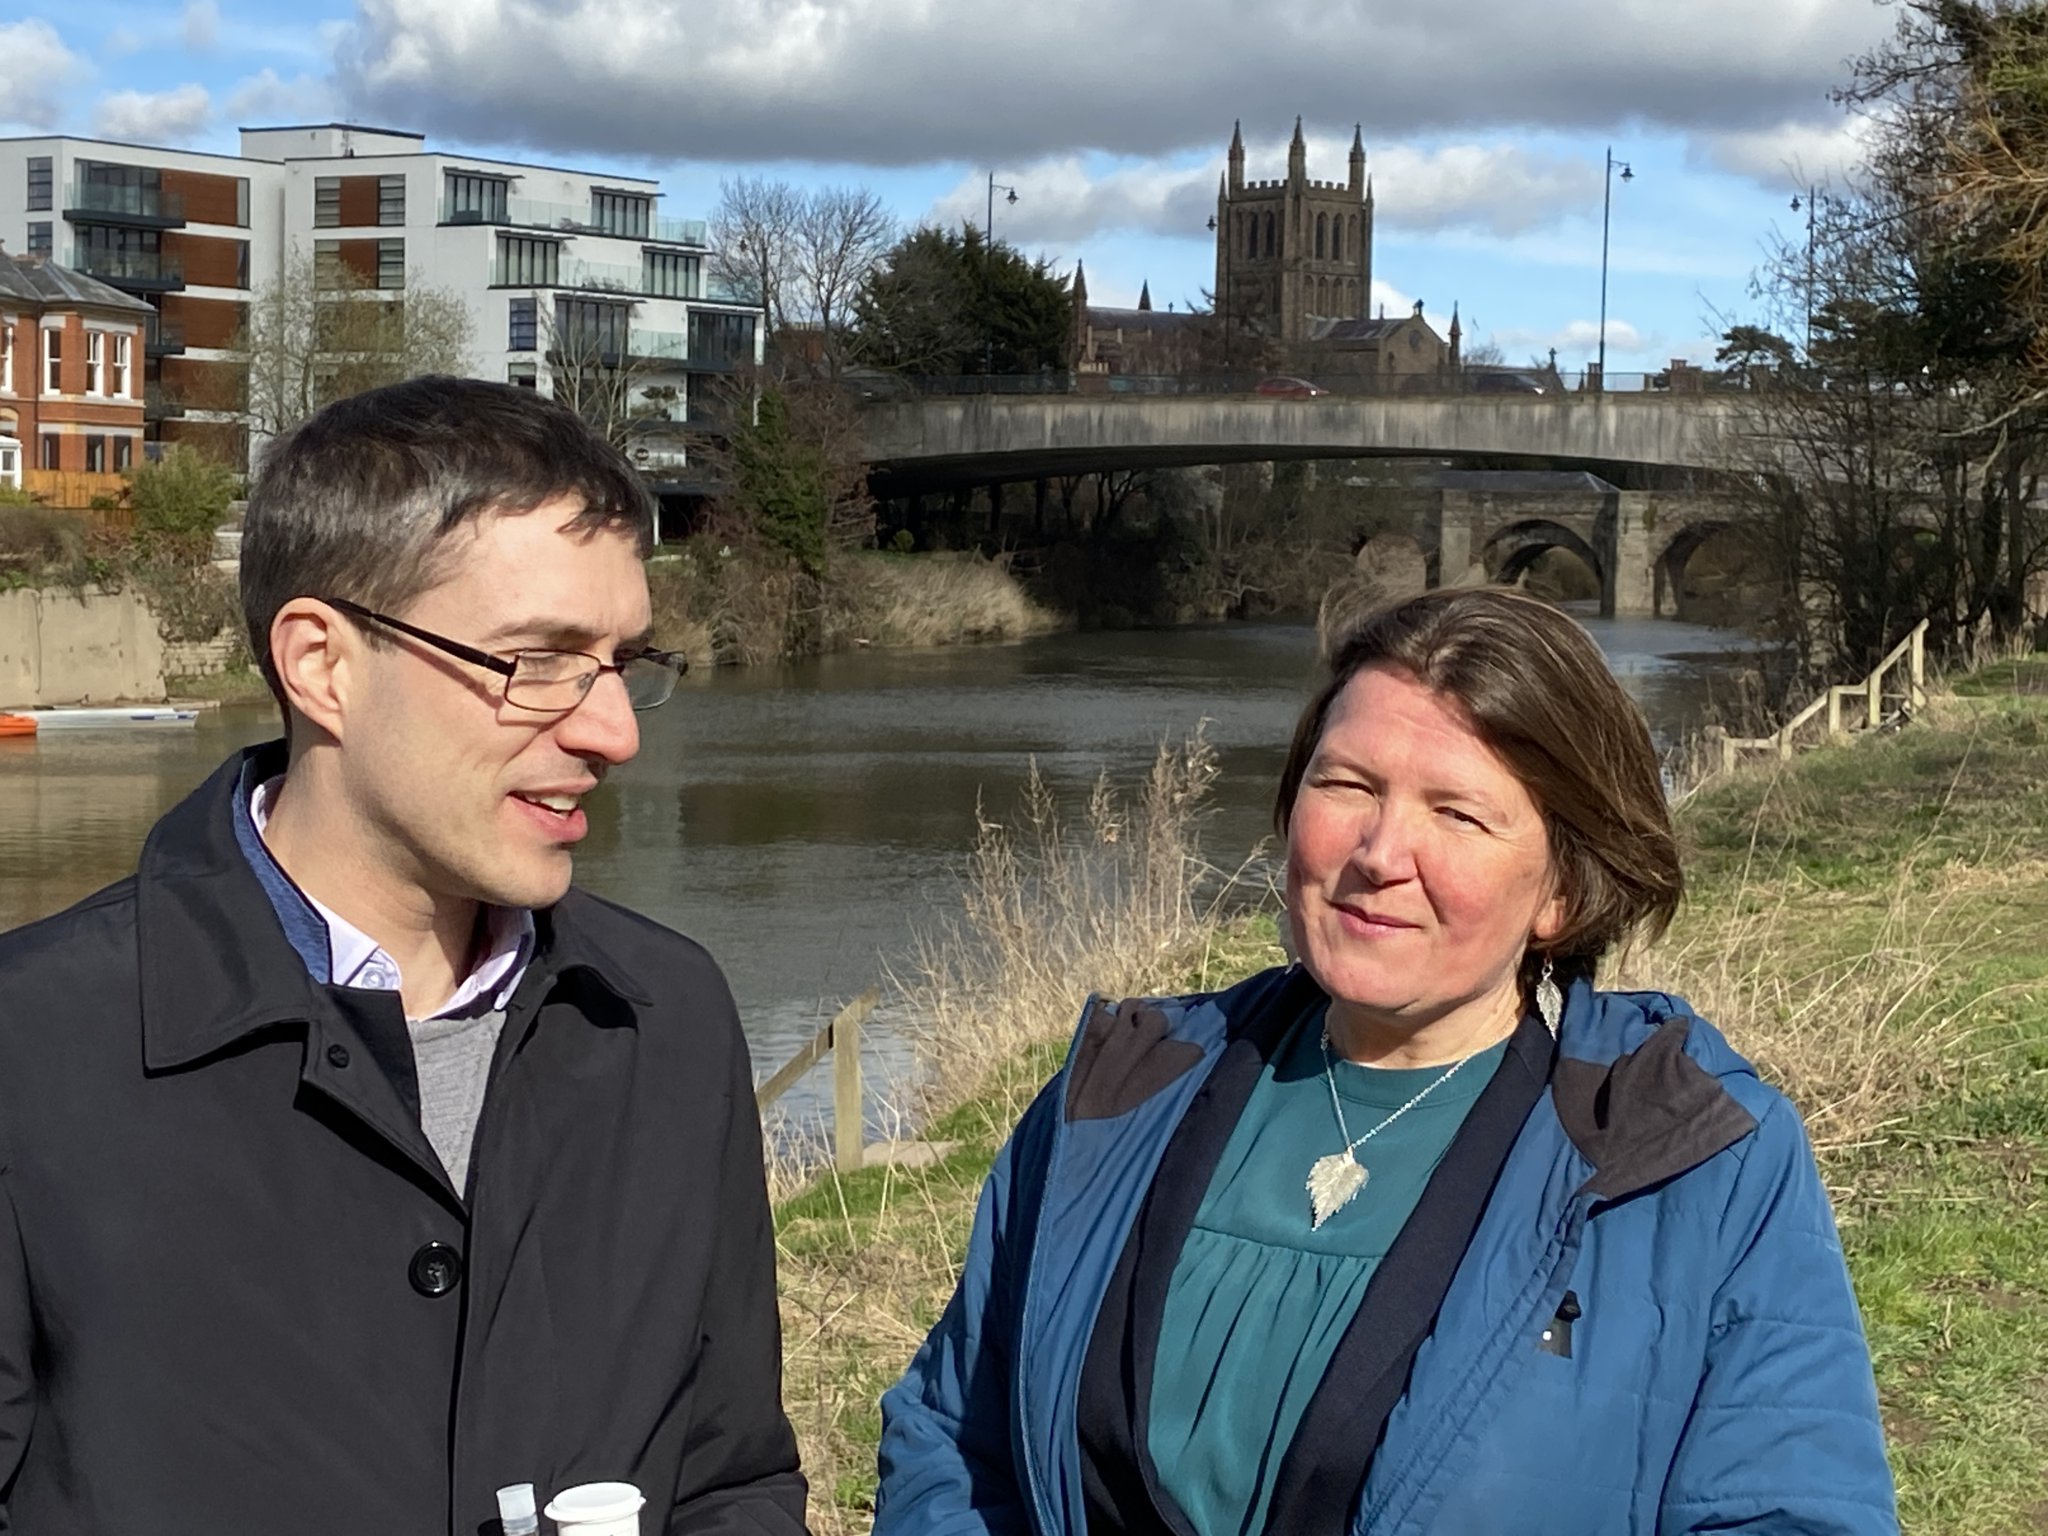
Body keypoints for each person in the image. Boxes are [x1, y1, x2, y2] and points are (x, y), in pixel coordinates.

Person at [874, 587, 1895, 1535]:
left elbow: (1786, 1512)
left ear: (1561, 892)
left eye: (1455, 812)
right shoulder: (1116, 1096)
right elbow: (951, 1440)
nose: (1376, 850)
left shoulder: (1690, 1159)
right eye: (1346, 783)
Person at [0, 379, 808, 1534]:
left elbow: (732, 1479)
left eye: (623, 661)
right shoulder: (30, 1051)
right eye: (537, 660)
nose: (613, 730)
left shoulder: (665, 1017)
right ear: (322, 664)